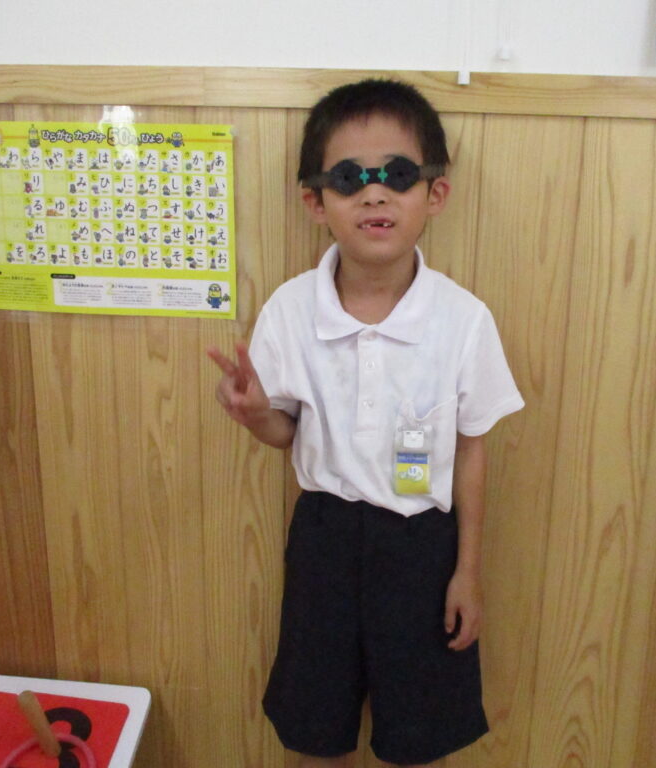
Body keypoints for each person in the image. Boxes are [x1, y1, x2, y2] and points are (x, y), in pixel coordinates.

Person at [207, 79, 524, 768]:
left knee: (419, 734)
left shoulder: (464, 320)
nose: (375, 194)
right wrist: (257, 415)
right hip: (324, 538)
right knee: (316, 728)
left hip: (424, 545)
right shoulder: (291, 310)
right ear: (316, 202)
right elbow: (288, 435)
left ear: (434, 193)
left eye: (398, 175)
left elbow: (472, 451)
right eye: (350, 178)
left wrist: (467, 570)